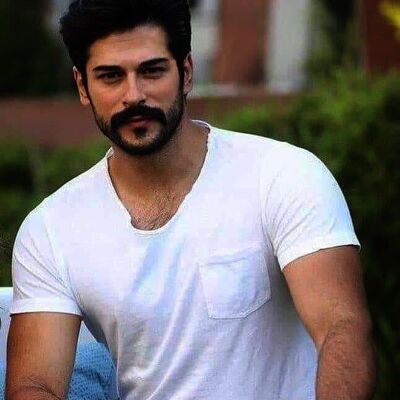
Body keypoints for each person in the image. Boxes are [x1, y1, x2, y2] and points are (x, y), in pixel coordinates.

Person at [6, 0, 376, 399]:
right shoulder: (52, 229)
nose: (133, 95)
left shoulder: (282, 175)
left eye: (152, 71)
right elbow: (34, 384)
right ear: (83, 87)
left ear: (186, 72)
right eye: (111, 76)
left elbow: (342, 327)